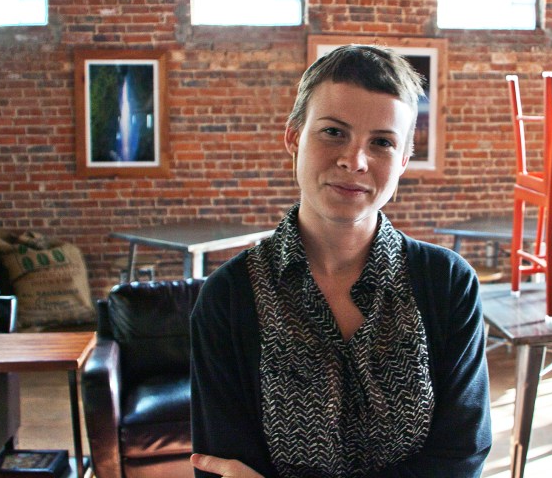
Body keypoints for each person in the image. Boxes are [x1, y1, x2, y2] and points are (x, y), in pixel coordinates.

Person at [190, 45, 492, 478]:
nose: (355, 160)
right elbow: (224, 468)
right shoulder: (228, 298)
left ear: (404, 159)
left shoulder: (447, 283)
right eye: (333, 132)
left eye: (382, 143)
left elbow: (459, 460)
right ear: (293, 137)